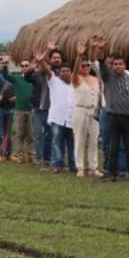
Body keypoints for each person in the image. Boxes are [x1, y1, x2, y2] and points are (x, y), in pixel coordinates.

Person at [96, 40, 129, 182]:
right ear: (112, 66)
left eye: (120, 64)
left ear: (124, 65)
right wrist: (101, 50)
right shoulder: (108, 77)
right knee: (113, 147)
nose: (118, 66)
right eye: (115, 64)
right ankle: (111, 174)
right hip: (113, 117)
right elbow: (101, 64)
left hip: (128, 118)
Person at [35, 44, 76, 174]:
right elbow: (47, 71)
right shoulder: (54, 81)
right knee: (56, 142)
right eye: (62, 71)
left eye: (67, 71)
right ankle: (57, 164)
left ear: (71, 72)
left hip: (71, 119)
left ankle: (72, 165)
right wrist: (41, 60)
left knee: (71, 144)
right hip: (57, 118)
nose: (65, 73)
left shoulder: (75, 85)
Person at [0, 45, 35, 164]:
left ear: (30, 67)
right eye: (22, 66)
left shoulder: (34, 79)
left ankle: (31, 155)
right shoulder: (17, 79)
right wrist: (6, 64)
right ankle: (19, 156)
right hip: (19, 110)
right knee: (19, 134)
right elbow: (6, 75)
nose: (24, 67)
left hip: (32, 110)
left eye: (26, 66)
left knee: (31, 135)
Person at [70, 42, 103, 178]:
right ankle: (80, 167)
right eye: (83, 65)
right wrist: (79, 56)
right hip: (80, 110)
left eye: (88, 65)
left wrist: (94, 49)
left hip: (94, 111)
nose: (85, 68)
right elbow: (74, 70)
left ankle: (93, 167)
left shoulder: (96, 79)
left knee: (93, 139)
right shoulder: (76, 78)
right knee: (80, 139)